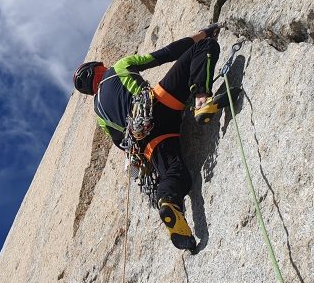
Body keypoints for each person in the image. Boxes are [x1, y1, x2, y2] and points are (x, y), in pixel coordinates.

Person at [73, 26, 221, 253]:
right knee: (203, 48)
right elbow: (166, 54)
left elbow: (121, 143)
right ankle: (201, 100)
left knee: (176, 174)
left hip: (149, 142)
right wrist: (203, 34)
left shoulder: (100, 114)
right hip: (160, 105)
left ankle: (168, 201)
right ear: (97, 69)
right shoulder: (118, 68)